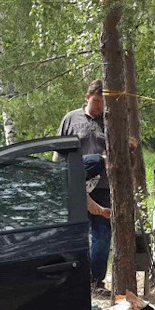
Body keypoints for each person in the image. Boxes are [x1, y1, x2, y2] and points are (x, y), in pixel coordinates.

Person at [58, 80, 112, 290]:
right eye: (97, 101)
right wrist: (58, 179)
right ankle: (75, 278)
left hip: (103, 186)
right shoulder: (71, 119)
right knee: (76, 232)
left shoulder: (109, 122)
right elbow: (59, 152)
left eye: (103, 103)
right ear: (87, 98)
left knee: (102, 233)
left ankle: (96, 280)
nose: (100, 107)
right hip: (75, 183)